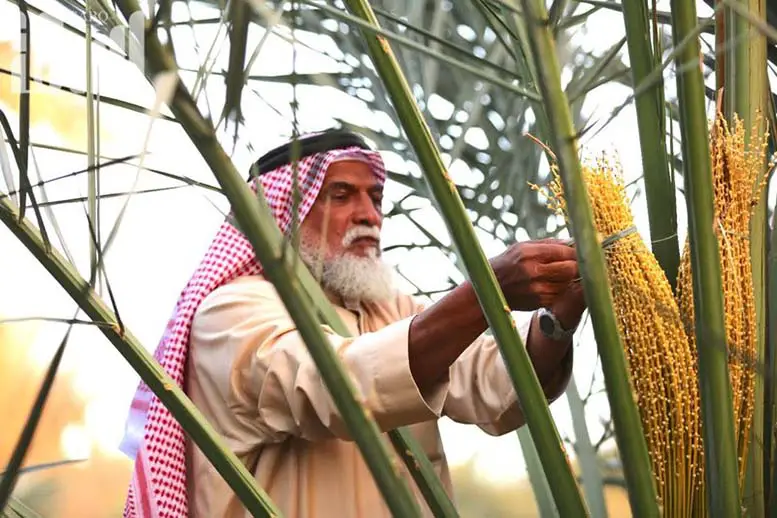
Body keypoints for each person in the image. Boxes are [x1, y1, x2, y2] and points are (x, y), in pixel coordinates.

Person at [119, 129, 586, 518]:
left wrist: (560, 316)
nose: (368, 214)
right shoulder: (230, 313)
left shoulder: (389, 310)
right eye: (340, 195)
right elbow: (335, 386)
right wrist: (487, 293)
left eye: (375, 197)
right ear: (278, 214)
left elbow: (493, 383)